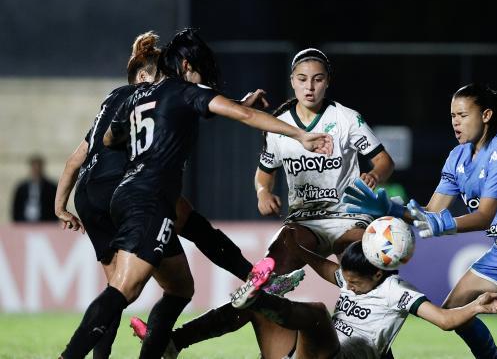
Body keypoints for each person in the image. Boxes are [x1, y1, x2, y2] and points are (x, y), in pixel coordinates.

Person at [59, 28, 332, 359]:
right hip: (150, 197)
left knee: (180, 287)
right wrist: (300, 135)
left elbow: (108, 140)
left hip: (126, 191)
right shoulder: (184, 89)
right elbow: (244, 115)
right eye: (202, 71)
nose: (205, 80)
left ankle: (173, 338)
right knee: (124, 288)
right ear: (187, 64)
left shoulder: (137, 96)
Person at [136, 48, 395, 358]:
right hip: (302, 223)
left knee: (364, 281)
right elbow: (263, 175)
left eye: (317, 79)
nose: (310, 86)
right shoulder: (279, 126)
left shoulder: (346, 119)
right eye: (302, 79)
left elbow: (384, 161)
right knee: (259, 291)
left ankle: (377, 353)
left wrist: (374, 176)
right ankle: (177, 341)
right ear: (292, 82)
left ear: (328, 82)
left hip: (347, 217)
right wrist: (262, 193)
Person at [344, 84, 497, 358]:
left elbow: (484, 216)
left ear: (486, 115)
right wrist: (391, 209)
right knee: (455, 310)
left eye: (463, 115)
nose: (455, 121)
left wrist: (441, 224)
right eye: (453, 115)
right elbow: (430, 212)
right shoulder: (457, 157)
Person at [230, 240, 497, 359]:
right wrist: (300, 251)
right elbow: (330, 271)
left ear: (377, 274)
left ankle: (257, 300)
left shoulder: (396, 291)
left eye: (354, 281)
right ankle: (257, 299)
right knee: (263, 312)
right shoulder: (355, 280)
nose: (347, 286)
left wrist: (476, 306)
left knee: (316, 312)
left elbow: (445, 320)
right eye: (346, 279)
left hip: (342, 357)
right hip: (313, 354)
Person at [12, 155, 57, 222]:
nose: (36, 171)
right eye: (34, 168)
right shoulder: (21, 188)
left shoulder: (51, 188)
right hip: (24, 223)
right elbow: (16, 208)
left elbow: (54, 207)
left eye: (38, 168)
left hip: (45, 223)